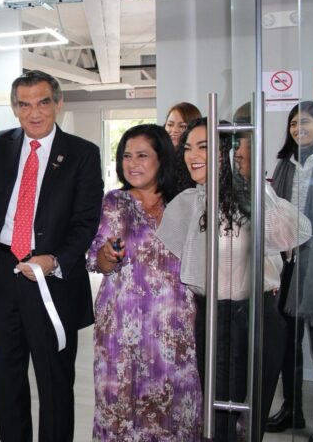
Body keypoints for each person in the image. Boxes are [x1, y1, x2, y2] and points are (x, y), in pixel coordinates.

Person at [0, 69, 103, 441]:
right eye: (24, 105)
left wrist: (55, 260)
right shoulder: (0, 145)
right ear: (14, 108)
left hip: (51, 278)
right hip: (3, 274)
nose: (34, 113)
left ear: (58, 103)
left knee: (55, 383)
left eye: (42, 103)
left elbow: (86, 221)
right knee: (7, 382)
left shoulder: (83, 153)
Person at [157, 117, 309, 441]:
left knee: (250, 424)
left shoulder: (254, 197)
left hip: (256, 317)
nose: (193, 155)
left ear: (227, 151)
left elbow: (288, 236)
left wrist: (253, 186)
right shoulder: (188, 203)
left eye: (204, 146)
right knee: (218, 423)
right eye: (188, 148)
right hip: (212, 317)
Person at [87, 124, 202, 441]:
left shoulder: (186, 203)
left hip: (174, 328)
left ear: (161, 159)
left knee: (173, 411)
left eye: (142, 155)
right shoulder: (115, 202)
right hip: (123, 329)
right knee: (120, 409)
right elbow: (97, 260)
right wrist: (108, 256)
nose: (132, 163)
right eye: (126, 156)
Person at [266, 101, 313, 438]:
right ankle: (292, 411)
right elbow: (274, 211)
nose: (297, 128)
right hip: (288, 262)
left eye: (305, 122)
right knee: (287, 343)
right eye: (292, 123)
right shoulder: (285, 163)